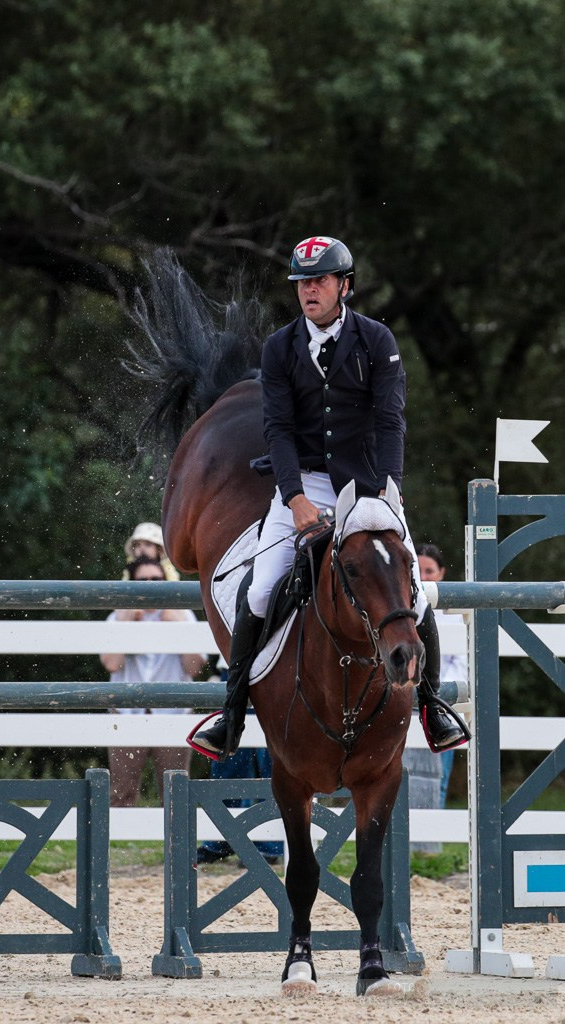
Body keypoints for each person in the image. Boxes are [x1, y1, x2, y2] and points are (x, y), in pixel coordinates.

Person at [193, 234, 469, 762]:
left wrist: (391, 489)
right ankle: (231, 714)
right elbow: (277, 427)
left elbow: (390, 420)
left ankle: (432, 706)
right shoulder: (280, 347)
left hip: (366, 483)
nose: (308, 291)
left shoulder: (376, 339)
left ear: (344, 285)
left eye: (318, 281)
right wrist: (294, 497)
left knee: (415, 590)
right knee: (259, 589)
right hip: (305, 482)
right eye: (301, 282)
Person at [100, 555, 206, 806]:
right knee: (120, 792)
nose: (150, 584)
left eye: (156, 579)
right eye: (143, 580)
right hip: (126, 713)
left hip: (174, 713)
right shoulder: (118, 617)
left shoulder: (182, 615)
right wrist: (126, 622)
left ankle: (175, 846)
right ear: (132, 583)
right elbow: (112, 663)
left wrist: (178, 627)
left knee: (175, 793)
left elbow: (194, 667)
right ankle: (116, 845)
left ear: (165, 580)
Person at [196, 657, 284, 866]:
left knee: (271, 762)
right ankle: (220, 839)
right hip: (234, 669)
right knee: (228, 765)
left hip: (278, 668)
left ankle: (269, 843)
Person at [417, 542, 469, 807]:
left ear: (441, 573)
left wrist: (435, 691)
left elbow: (460, 663)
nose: (424, 577)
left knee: (440, 774)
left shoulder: (454, 615)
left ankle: (430, 844)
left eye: (430, 571)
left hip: (437, 696)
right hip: (406, 692)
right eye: (419, 570)